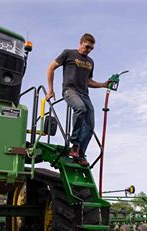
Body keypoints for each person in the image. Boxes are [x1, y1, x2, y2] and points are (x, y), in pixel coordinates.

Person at [46, 33, 109, 166]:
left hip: (84, 94)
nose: (89, 50)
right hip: (70, 90)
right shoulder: (68, 53)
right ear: (81, 43)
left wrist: (103, 84)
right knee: (80, 108)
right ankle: (74, 144)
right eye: (87, 47)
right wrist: (51, 89)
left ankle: (80, 154)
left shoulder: (90, 62)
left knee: (90, 125)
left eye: (91, 48)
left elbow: (88, 81)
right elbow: (51, 67)